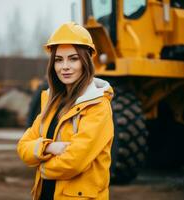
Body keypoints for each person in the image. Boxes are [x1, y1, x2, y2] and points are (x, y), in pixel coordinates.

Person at [17, 22, 114, 200]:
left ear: (86, 61)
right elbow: (23, 146)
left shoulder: (98, 107)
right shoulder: (52, 104)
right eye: (59, 60)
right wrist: (50, 147)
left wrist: (41, 166)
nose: (65, 67)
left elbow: (74, 162)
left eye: (73, 58)